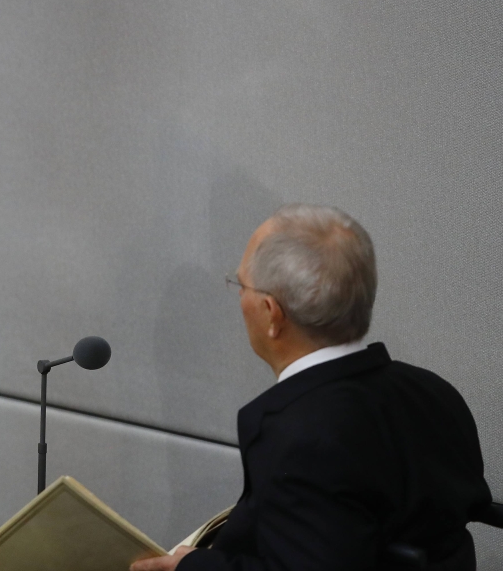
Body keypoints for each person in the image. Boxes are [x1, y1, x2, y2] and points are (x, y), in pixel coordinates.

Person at [132, 204, 491, 571]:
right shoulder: (433, 392)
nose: (239, 298)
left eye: (241, 285)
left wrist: (191, 567)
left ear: (272, 314)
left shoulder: (303, 437)